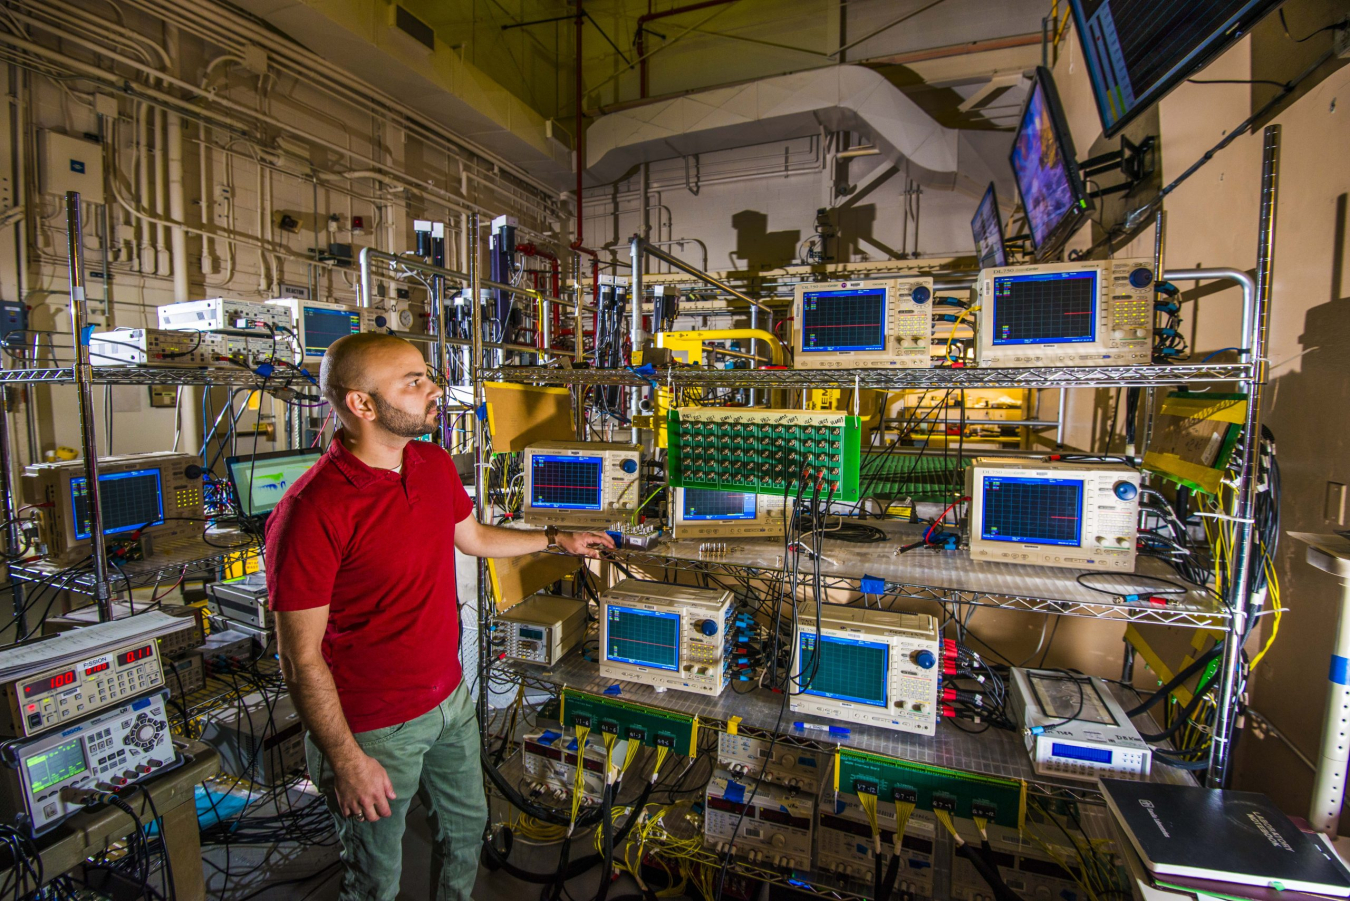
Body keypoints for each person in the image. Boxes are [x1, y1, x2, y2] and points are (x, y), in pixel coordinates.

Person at [265, 332, 613, 901]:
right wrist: (346, 759)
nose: (435, 389)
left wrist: (558, 539)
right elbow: (299, 658)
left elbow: (470, 537)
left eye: (428, 374)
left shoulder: (429, 462)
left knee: (465, 832)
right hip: (374, 729)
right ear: (362, 404)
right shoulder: (312, 511)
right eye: (414, 382)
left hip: (449, 701)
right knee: (376, 877)